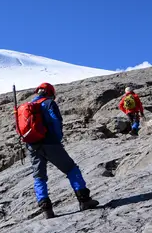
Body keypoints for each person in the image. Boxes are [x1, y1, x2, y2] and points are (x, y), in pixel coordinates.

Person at [24, 82, 99, 218]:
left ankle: (46, 209)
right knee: (71, 169)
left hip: (32, 145)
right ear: (50, 93)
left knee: (39, 176)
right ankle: (84, 200)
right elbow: (56, 122)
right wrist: (57, 139)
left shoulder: (27, 107)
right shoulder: (49, 103)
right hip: (50, 143)